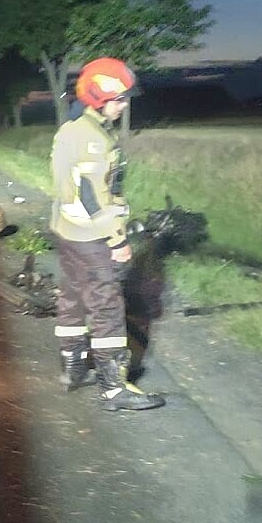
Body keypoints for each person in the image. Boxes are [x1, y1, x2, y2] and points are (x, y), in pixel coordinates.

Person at [50, 57, 165, 411]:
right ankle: (114, 389)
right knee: (107, 306)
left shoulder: (71, 128)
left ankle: (72, 366)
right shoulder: (94, 138)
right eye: (119, 99)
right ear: (98, 98)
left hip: (67, 231)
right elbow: (93, 196)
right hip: (92, 236)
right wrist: (117, 240)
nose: (124, 105)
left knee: (72, 294)